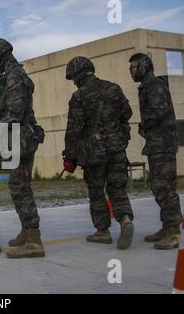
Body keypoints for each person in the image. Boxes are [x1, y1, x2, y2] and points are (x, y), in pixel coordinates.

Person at [0, 38, 45, 258]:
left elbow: (16, 113)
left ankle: (34, 240)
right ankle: (27, 232)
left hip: (20, 140)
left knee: (20, 188)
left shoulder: (15, 76)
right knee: (20, 187)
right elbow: (17, 108)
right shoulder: (16, 75)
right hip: (22, 138)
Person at [62, 56, 135, 250]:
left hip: (94, 152)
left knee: (96, 191)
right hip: (117, 148)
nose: (74, 83)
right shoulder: (114, 88)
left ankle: (102, 231)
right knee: (117, 188)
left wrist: (69, 156)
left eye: (73, 78)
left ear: (78, 75)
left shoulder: (79, 97)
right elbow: (127, 114)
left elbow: (73, 130)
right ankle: (125, 219)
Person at [129, 53, 183, 249]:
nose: (131, 71)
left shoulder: (153, 85)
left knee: (164, 188)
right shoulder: (148, 86)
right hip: (157, 144)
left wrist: (144, 124)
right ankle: (167, 227)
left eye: (134, 67)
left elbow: (159, 111)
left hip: (162, 145)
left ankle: (174, 231)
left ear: (144, 66)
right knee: (159, 187)